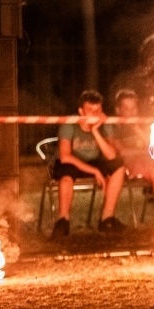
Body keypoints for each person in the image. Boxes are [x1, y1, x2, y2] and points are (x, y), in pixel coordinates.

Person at [51, 90, 128, 238]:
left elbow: (111, 155)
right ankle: (63, 221)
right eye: (90, 110)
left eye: (98, 110)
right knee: (66, 174)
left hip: (94, 161)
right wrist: (95, 171)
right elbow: (65, 157)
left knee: (118, 166)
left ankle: (107, 218)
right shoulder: (70, 123)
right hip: (72, 162)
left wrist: (95, 131)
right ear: (81, 111)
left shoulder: (105, 124)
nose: (94, 114)